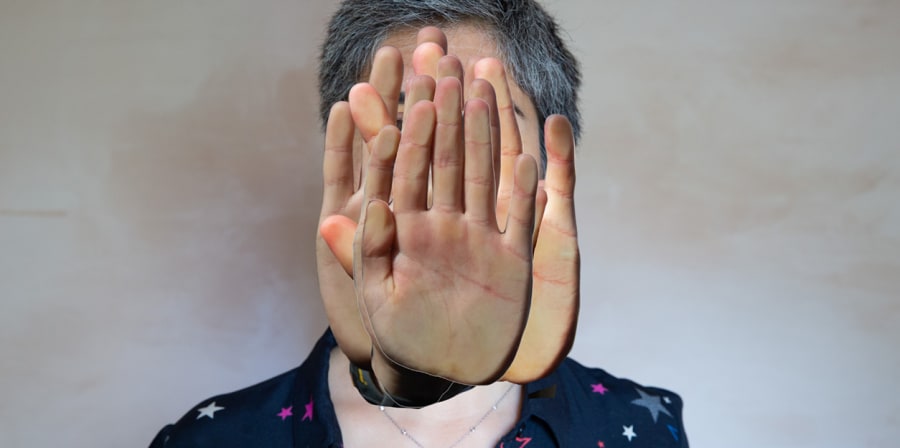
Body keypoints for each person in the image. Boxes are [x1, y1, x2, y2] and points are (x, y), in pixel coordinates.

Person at [150, 1, 689, 446]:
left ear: (550, 163)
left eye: (485, 124)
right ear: (346, 163)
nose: (440, 164)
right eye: (404, 125)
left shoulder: (644, 430)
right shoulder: (212, 439)